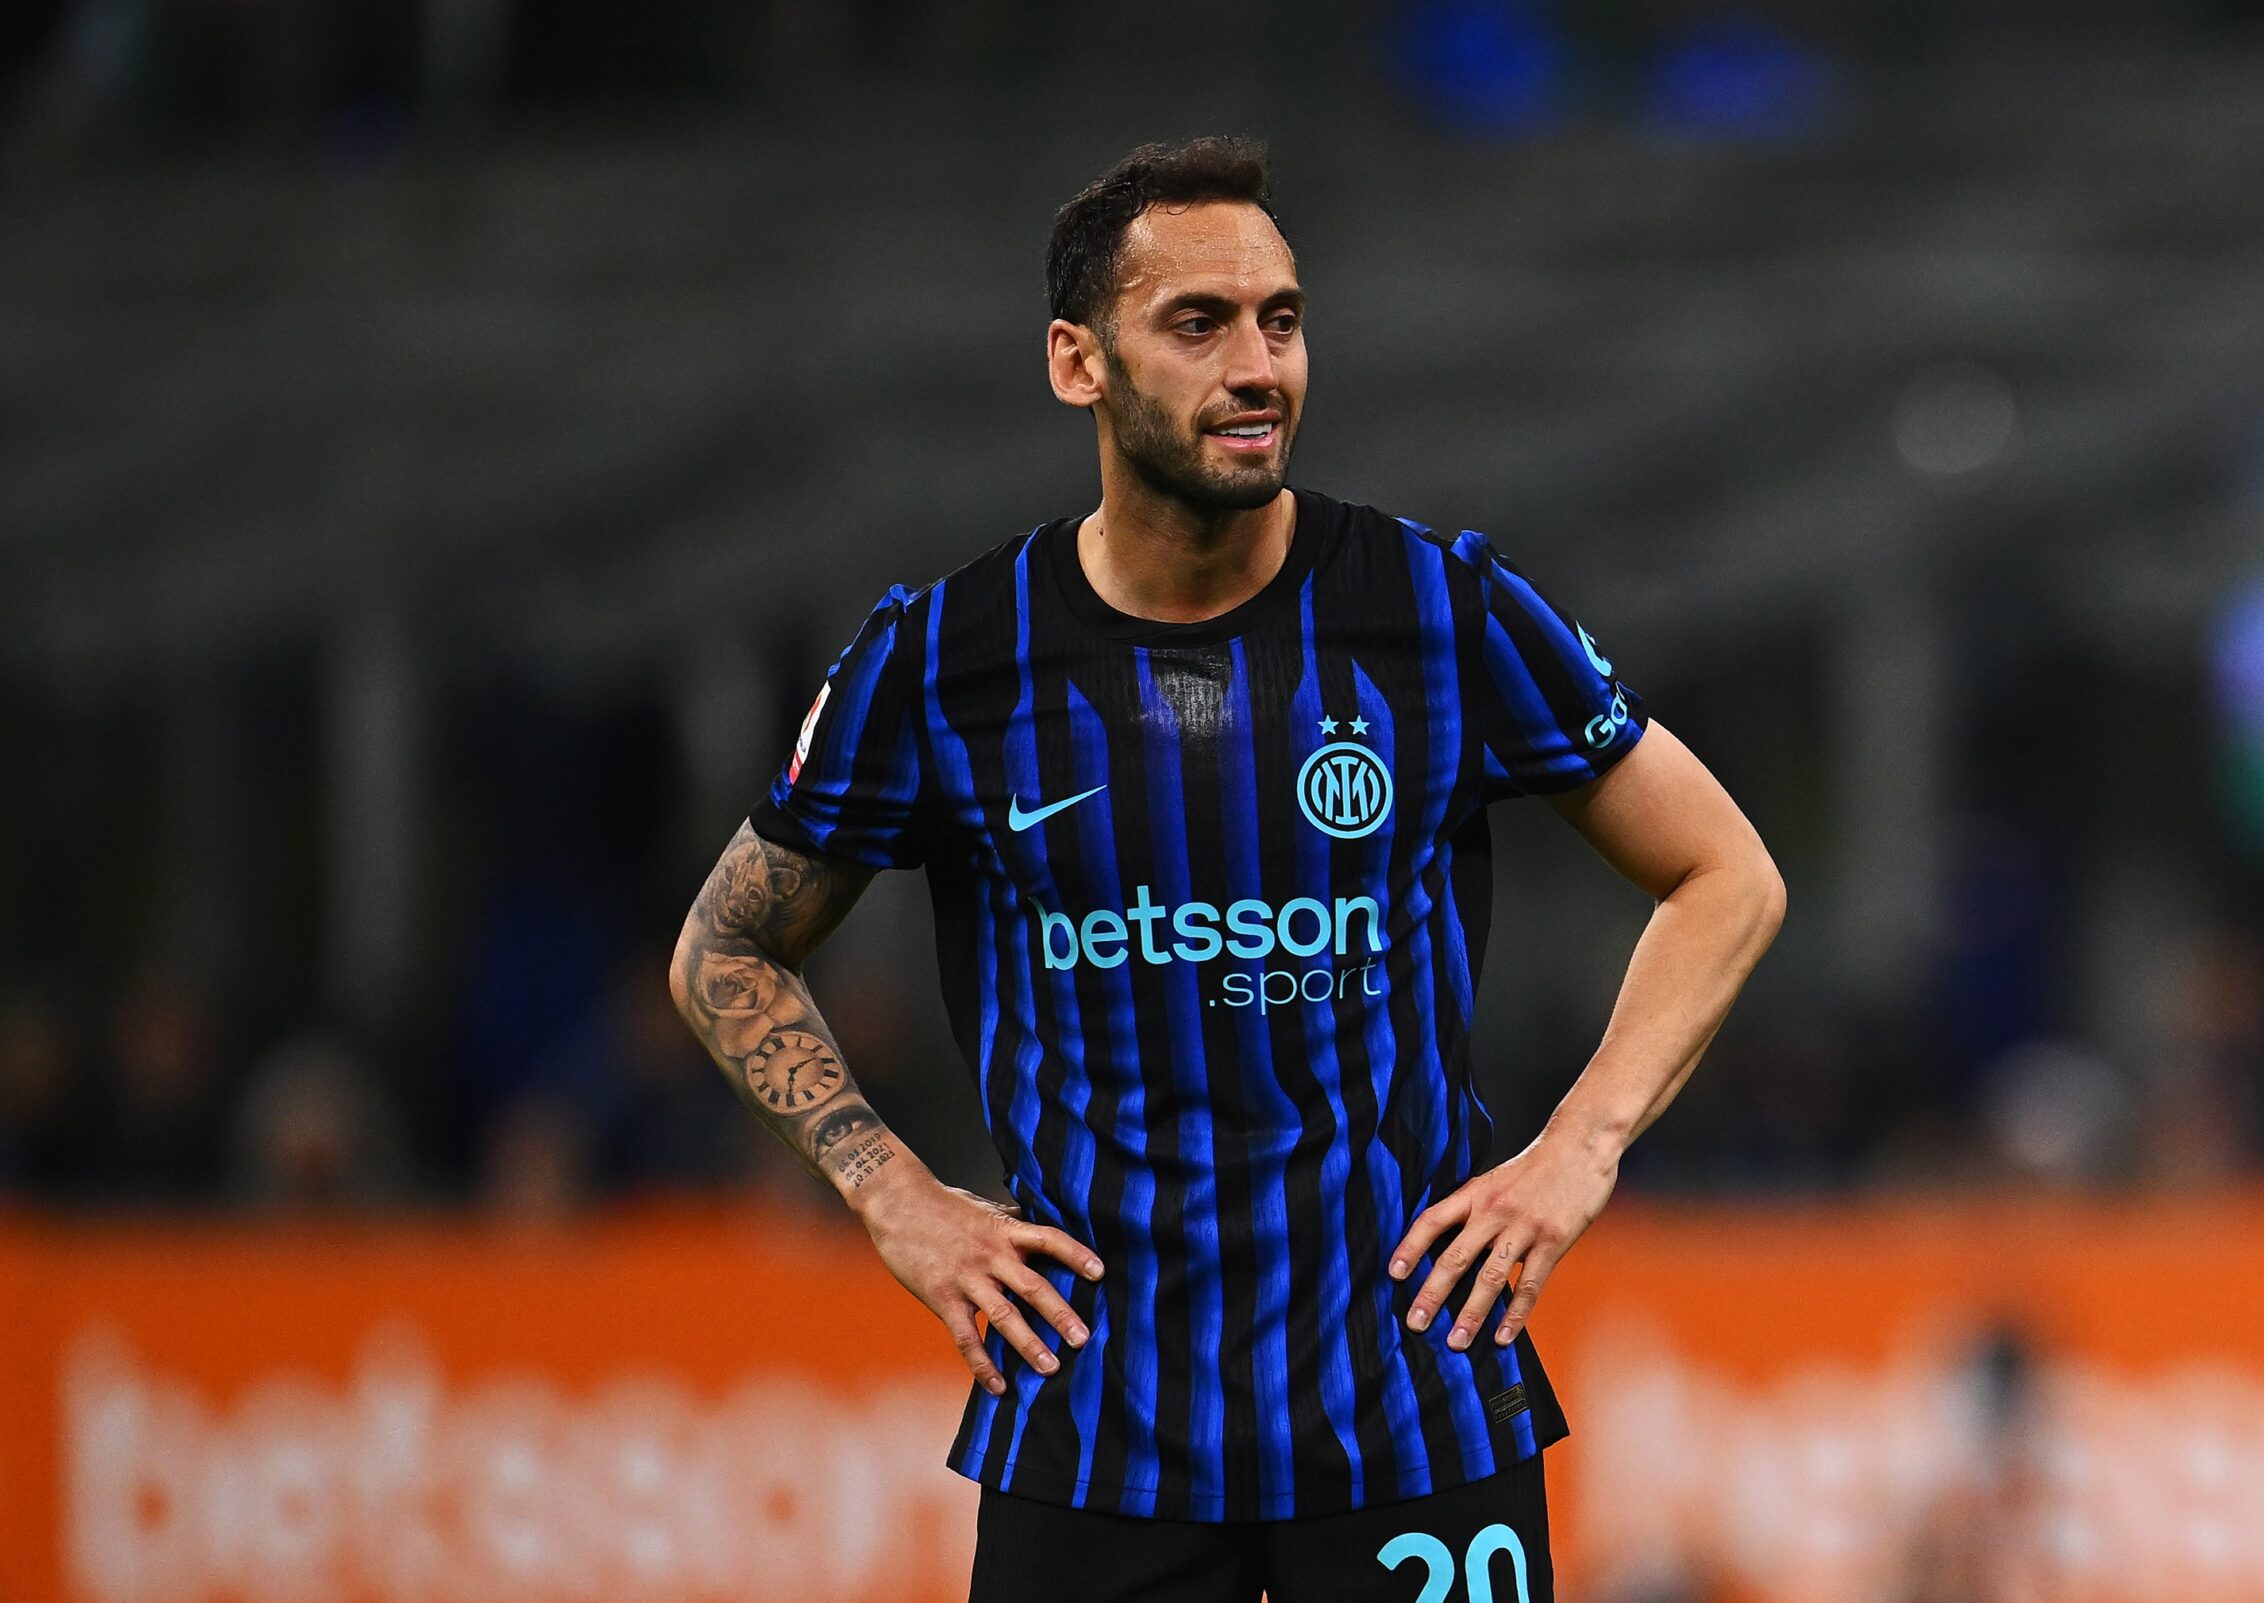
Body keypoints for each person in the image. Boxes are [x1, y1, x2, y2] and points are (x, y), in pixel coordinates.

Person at [668, 136, 1785, 1602]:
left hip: (1412, 1413)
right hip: (1096, 1433)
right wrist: (893, 1196)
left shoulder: (1440, 611)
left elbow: (1725, 874)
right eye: (1198, 324)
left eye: (1282, 320)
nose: (1259, 366)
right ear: (1078, 362)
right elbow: (725, 950)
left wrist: (1581, 1147)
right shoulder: (942, 662)